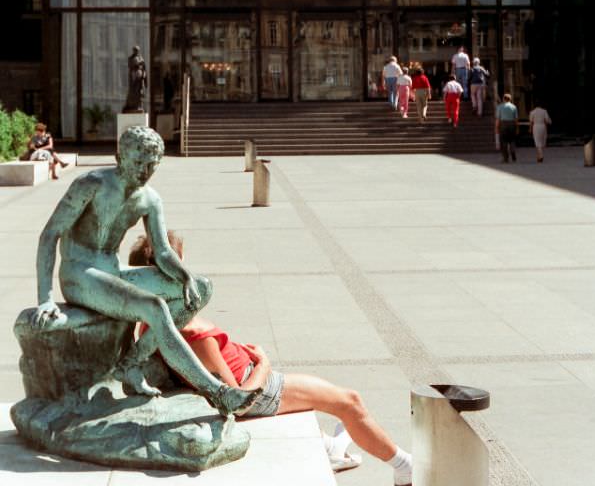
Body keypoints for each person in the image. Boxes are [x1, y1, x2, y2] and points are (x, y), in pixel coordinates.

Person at [129, 231, 413, 486]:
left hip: (250, 375)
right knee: (350, 402)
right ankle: (404, 467)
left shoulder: (153, 319)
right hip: (263, 392)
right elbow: (238, 401)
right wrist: (263, 363)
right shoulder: (192, 334)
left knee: (336, 408)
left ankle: (333, 449)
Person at [32, 124, 259, 418]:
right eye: (138, 162)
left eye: (151, 164)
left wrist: (185, 276)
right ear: (120, 157)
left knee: (201, 289)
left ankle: (131, 363)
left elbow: (162, 252)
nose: (144, 170)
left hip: (112, 271)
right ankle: (217, 392)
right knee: (152, 306)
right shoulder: (92, 183)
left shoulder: (150, 198)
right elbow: (50, 233)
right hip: (78, 273)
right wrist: (45, 297)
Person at [495, 93, 519, 163]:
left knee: (504, 141)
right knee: (512, 140)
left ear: (503, 99)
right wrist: (517, 127)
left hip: (503, 124)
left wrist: (496, 127)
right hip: (512, 124)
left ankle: (506, 158)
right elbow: (516, 119)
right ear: (510, 99)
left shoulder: (500, 107)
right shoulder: (514, 107)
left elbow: (498, 118)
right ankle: (513, 152)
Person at [123, 45, 148, 113]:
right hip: (134, 76)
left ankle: (139, 105)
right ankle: (131, 105)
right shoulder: (130, 58)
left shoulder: (141, 58)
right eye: (135, 50)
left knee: (140, 91)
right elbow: (130, 66)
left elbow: (144, 68)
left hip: (140, 77)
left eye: (137, 50)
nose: (136, 51)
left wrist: (144, 75)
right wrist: (137, 65)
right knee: (133, 91)